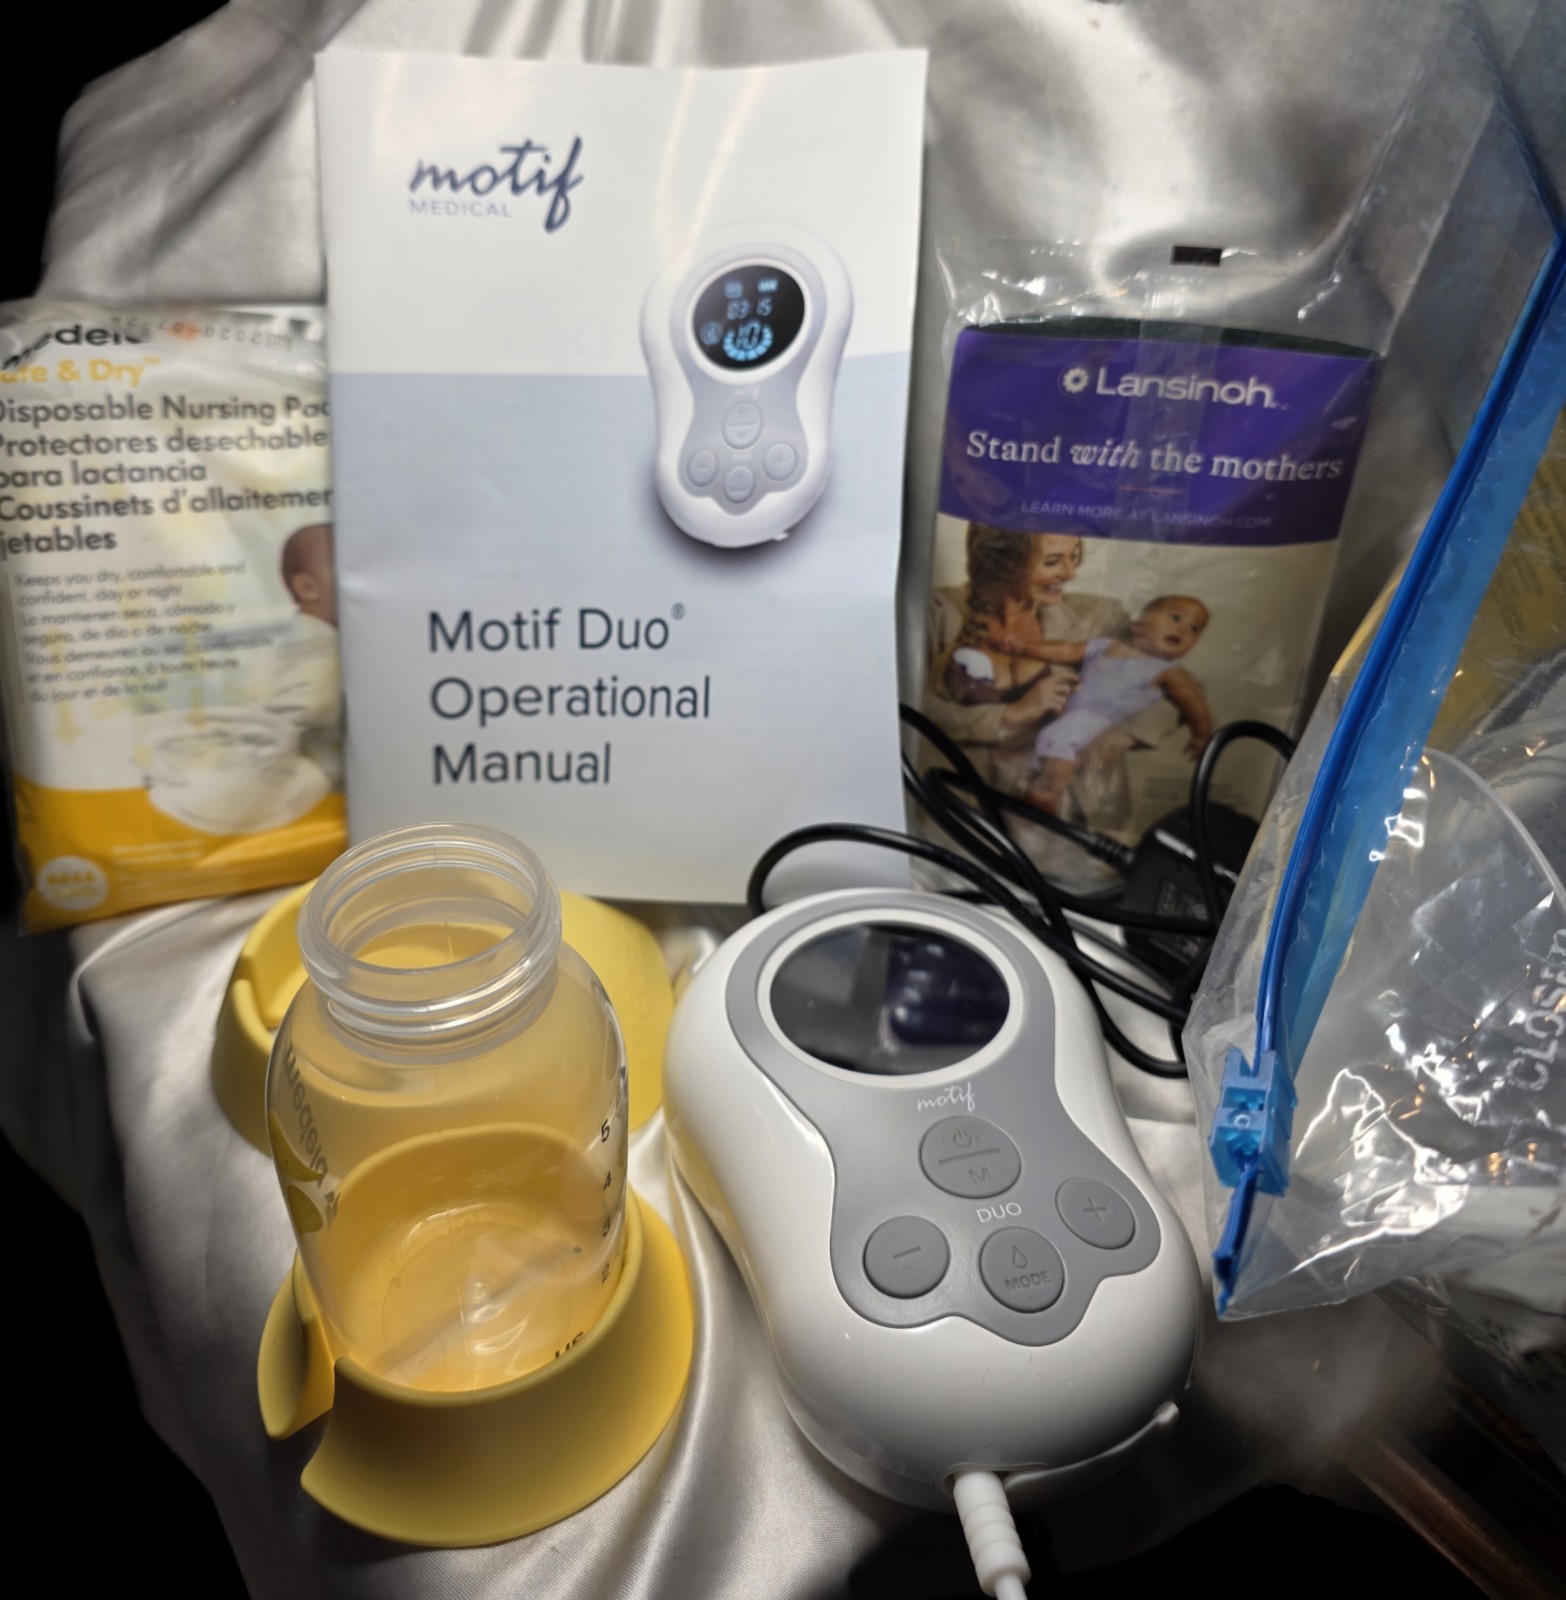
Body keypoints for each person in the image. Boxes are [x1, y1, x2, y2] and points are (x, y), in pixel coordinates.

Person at [925, 525, 1140, 793]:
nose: (1070, 573)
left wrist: (1114, 727)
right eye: (1052, 562)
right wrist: (1011, 714)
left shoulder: (1100, 616)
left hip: (1064, 804)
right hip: (956, 797)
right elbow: (905, 705)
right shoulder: (934, 612)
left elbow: (1163, 678)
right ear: (1001, 563)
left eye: (1073, 557)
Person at [1001, 595, 1214, 814]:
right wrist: (1025, 648)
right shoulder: (1104, 646)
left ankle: (1048, 795)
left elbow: (1193, 703)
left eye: (1194, 629)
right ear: (1138, 623)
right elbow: (1066, 650)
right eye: (1175, 618)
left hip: (1102, 722)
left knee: (1057, 741)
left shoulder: (1168, 671)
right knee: (1046, 746)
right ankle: (1042, 790)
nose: (1183, 629)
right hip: (1074, 716)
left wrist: (1201, 735)